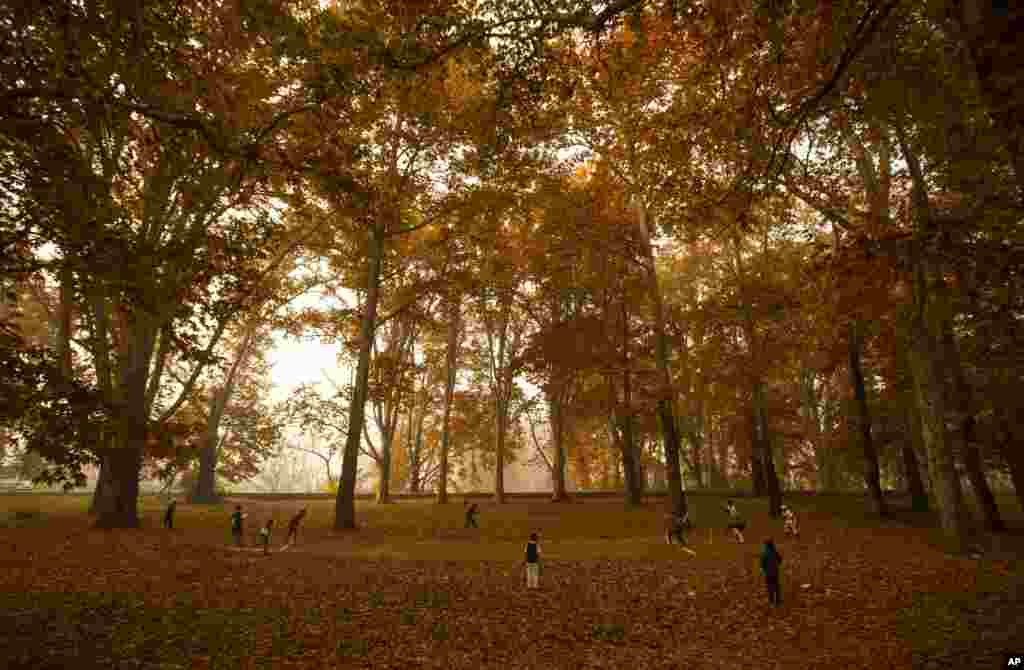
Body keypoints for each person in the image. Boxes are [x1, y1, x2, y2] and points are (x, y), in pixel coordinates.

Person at [760, 538, 783, 606]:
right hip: (775, 571)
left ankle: (771, 601)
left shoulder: (764, 553)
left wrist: (763, 570)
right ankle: (778, 600)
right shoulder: (775, 551)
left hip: (768, 573)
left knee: (770, 587)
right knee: (776, 586)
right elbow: (780, 560)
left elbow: (762, 564)